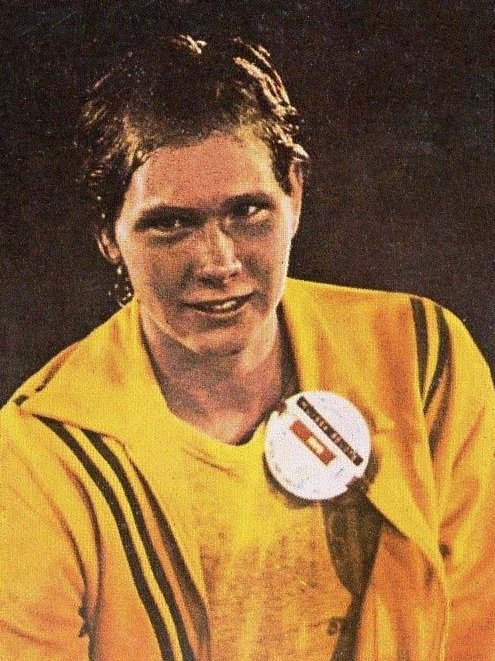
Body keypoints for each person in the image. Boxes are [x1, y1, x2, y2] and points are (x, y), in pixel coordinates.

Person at [0, 34, 494, 661]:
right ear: (107, 232)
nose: (218, 262)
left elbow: (479, 625)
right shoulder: (41, 451)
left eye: (248, 211)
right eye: (170, 223)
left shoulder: (420, 357)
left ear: (295, 191)